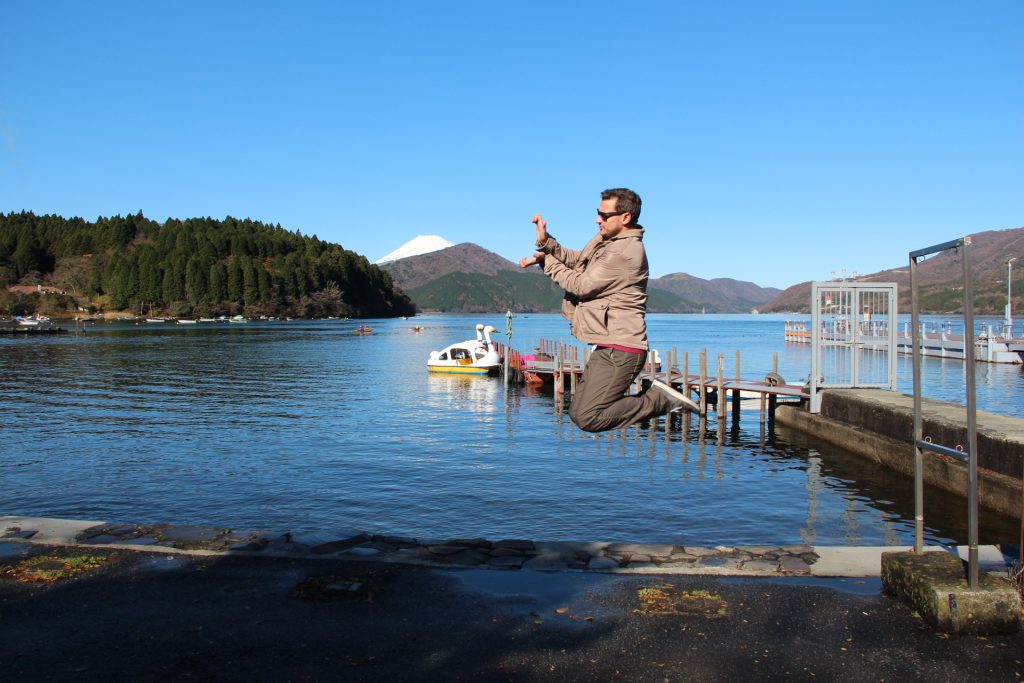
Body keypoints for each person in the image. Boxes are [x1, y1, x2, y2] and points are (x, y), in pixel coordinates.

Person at [520, 188, 698, 432]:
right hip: (608, 344)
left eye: (604, 215)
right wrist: (546, 243)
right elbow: (579, 260)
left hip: (623, 347)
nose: (597, 219)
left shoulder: (625, 252)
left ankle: (659, 399)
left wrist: (546, 262)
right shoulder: (607, 240)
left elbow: (580, 285)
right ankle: (656, 398)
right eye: (597, 213)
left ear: (625, 217)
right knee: (576, 412)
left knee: (589, 417)